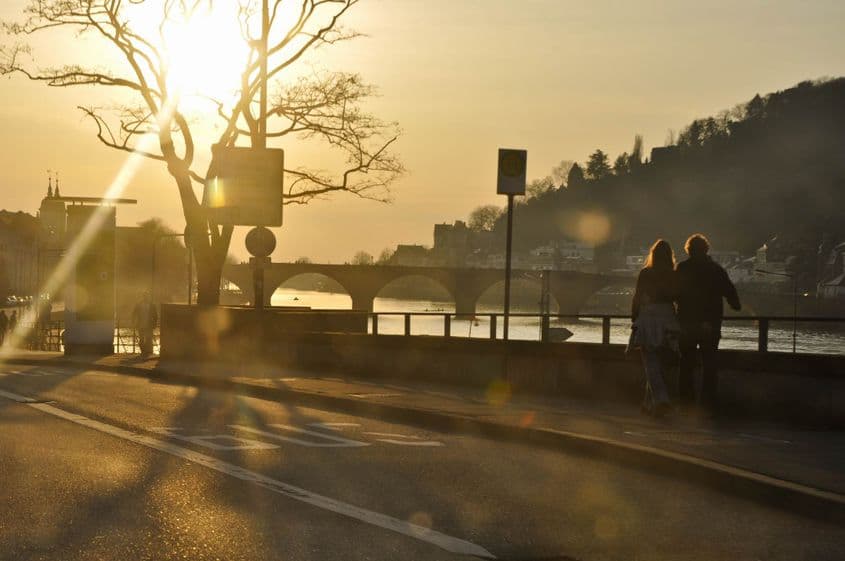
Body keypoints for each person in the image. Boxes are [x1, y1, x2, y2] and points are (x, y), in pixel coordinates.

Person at [676, 234, 741, 413]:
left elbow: (673, 292)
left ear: (689, 250)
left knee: (686, 363)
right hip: (710, 324)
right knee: (710, 364)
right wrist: (735, 305)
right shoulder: (716, 270)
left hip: (687, 324)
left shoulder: (682, 268)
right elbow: (731, 294)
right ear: (706, 249)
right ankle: (708, 404)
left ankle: (685, 403)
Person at [630, 239, 679, 418]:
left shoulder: (646, 273)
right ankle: (648, 404)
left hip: (649, 315)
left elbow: (637, 297)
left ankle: (661, 400)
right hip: (668, 316)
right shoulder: (673, 274)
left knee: (650, 360)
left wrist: (634, 318)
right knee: (659, 361)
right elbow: (678, 297)